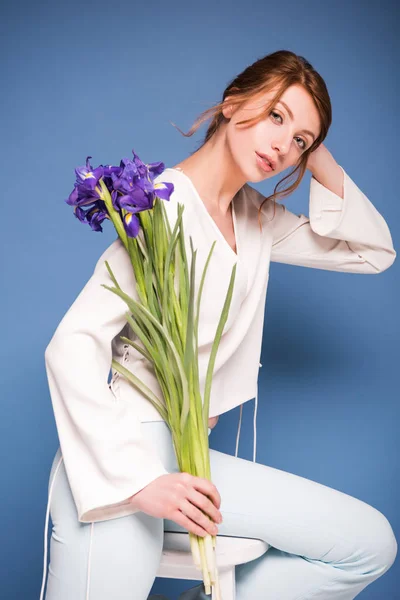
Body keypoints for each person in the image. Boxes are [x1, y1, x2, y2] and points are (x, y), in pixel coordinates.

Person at [40, 49, 397, 600]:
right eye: (276, 116)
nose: (283, 146)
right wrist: (139, 482)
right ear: (232, 103)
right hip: (120, 458)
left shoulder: (257, 219)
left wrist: (315, 146)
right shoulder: (157, 208)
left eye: (300, 140)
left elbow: (372, 252)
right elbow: (72, 346)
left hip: (190, 459)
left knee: (367, 544)